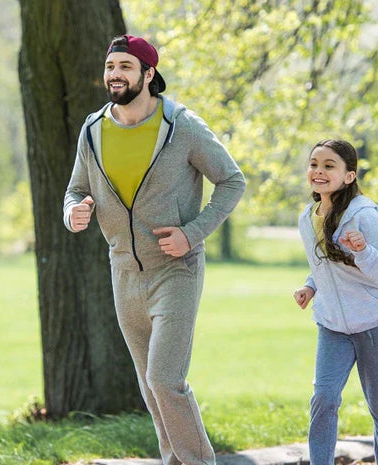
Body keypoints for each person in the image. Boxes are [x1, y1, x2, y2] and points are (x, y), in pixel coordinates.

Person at [63, 34, 245, 465]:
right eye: (111, 67)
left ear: (149, 74)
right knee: (150, 386)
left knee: (165, 380)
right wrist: (73, 212)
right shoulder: (93, 129)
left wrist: (193, 232)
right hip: (123, 272)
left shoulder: (181, 125)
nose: (115, 75)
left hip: (175, 269)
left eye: (125, 67)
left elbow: (232, 181)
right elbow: (75, 189)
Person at [291, 139, 378, 465]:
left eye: (329, 166)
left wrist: (364, 251)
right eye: (314, 164)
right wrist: (311, 286)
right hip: (333, 325)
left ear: (349, 175)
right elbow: (323, 266)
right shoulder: (307, 217)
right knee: (324, 398)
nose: (319, 171)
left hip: (375, 323)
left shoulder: (363, 214)